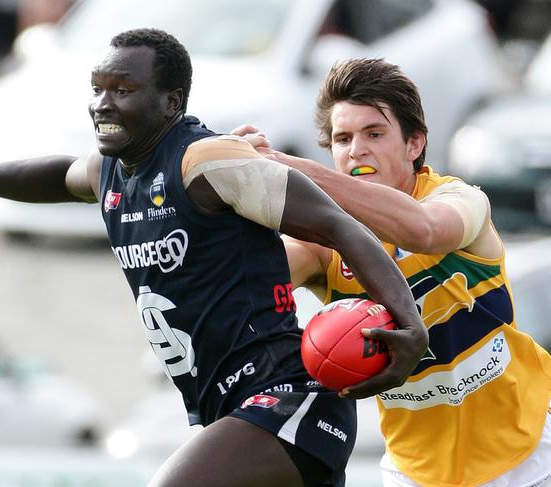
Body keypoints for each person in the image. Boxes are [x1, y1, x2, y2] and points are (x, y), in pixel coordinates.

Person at [0, 29, 428, 486]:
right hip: (225, 408)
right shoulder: (110, 169)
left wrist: (411, 327)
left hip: (288, 399)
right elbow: (53, 174)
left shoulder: (207, 162)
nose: (103, 104)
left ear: (172, 102)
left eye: (124, 91)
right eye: (98, 89)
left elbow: (339, 224)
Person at [233, 58, 551, 486]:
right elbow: (245, 283)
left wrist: (288, 167)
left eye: (374, 134)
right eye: (342, 139)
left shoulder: (458, 198)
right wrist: (214, 186)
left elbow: (423, 230)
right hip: (415, 472)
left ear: (415, 144)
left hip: (530, 452)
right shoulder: (323, 242)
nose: (356, 149)